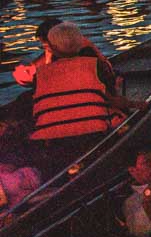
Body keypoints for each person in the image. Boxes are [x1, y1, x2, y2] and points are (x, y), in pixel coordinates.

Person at [25, 23, 143, 175]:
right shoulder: (93, 66)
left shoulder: (39, 75)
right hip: (93, 135)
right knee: (120, 117)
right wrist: (138, 104)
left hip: (54, 142)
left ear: (52, 49)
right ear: (80, 43)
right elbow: (112, 101)